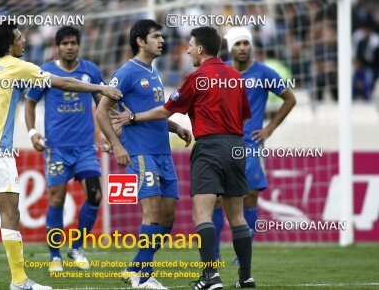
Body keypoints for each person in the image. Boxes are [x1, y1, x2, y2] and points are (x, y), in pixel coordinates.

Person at [0, 21, 122, 290]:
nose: (24, 42)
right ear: (9, 44)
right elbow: (63, 82)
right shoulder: (17, 66)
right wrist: (100, 88)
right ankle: (20, 281)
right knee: (10, 214)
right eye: (20, 38)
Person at [111, 26, 255, 289]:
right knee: (238, 217)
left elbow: (166, 110)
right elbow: (245, 113)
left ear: (200, 49)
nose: (187, 50)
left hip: (209, 147)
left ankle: (210, 276)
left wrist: (133, 117)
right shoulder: (236, 77)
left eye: (190, 45)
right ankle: (246, 277)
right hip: (237, 147)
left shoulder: (196, 77)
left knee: (202, 216)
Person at [96, 19, 191, 289]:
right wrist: (117, 145)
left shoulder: (153, 72)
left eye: (162, 37)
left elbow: (151, 113)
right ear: (140, 41)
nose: (162, 41)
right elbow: (102, 111)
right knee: (150, 213)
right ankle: (143, 277)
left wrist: (174, 127)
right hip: (140, 153)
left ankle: (134, 267)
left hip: (162, 152)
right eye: (156, 36)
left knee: (168, 217)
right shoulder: (127, 72)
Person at [24, 26, 108, 271]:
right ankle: (54, 256)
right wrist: (31, 132)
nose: (69, 47)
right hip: (56, 148)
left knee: (95, 195)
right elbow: (29, 104)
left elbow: (101, 105)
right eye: (65, 43)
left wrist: (105, 134)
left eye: (73, 43)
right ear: (57, 47)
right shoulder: (46, 71)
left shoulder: (90, 70)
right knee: (57, 199)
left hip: (85, 148)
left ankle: (76, 247)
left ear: (78, 45)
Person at [213, 27, 296, 264]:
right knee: (216, 198)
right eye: (238, 44)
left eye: (245, 43)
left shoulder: (264, 73)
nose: (242, 48)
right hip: (221, 142)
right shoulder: (220, 72)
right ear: (230, 46)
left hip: (250, 144)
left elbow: (290, 99)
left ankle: (242, 255)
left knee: (249, 197)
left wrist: (269, 129)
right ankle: (214, 254)